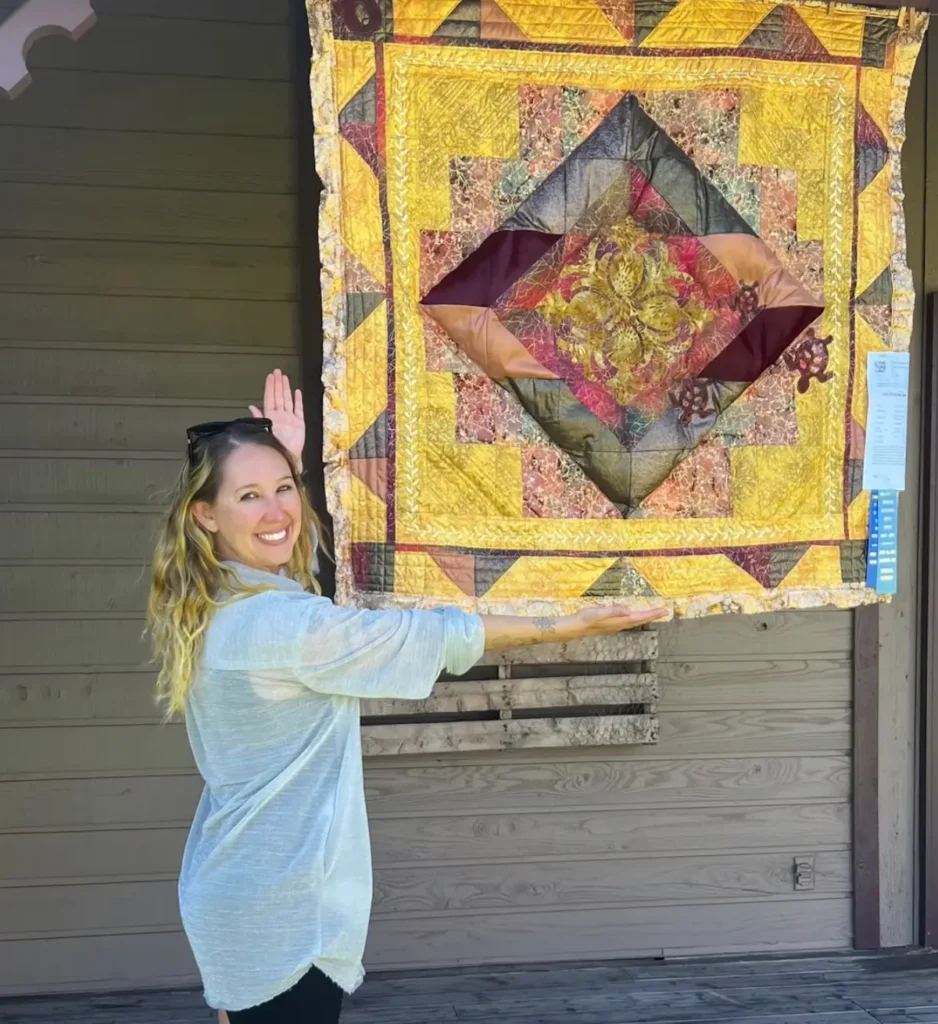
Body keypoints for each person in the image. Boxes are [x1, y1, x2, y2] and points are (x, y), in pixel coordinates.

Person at [147, 369, 667, 1024]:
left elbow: (293, 580)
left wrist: (289, 469)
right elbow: (428, 637)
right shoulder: (275, 626)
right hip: (281, 913)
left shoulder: (231, 599)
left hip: (242, 894)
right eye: (249, 496)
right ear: (205, 513)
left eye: (283, 490)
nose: (277, 510)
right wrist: (577, 622)